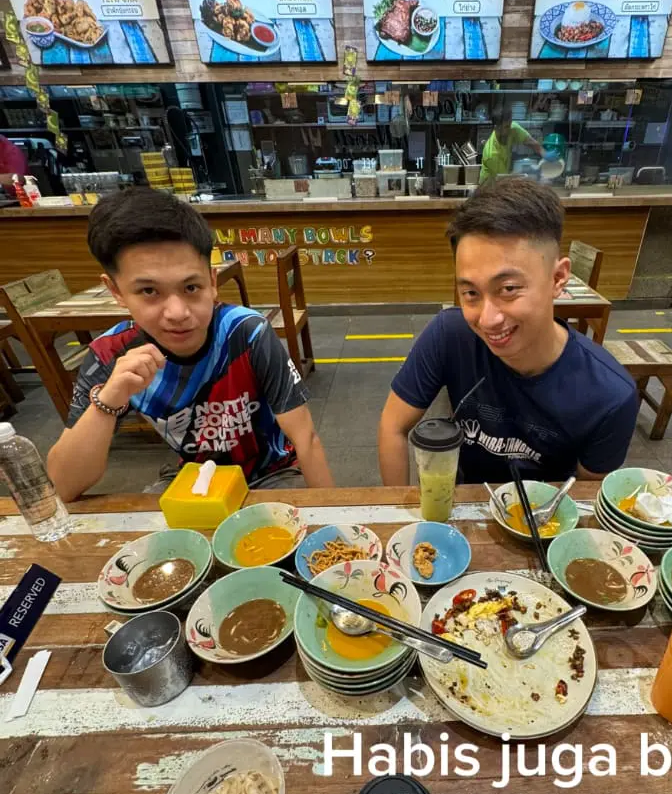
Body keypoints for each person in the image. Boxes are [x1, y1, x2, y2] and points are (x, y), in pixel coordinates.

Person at [47, 187, 334, 501]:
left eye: (191, 287)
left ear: (212, 283)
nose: (178, 313)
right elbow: (64, 487)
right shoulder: (109, 354)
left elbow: (305, 438)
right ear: (115, 291)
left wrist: (332, 514)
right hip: (193, 476)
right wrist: (109, 400)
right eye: (148, 291)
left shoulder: (247, 333)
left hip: (271, 474)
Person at [377, 177, 638, 486]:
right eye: (471, 293)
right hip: (464, 500)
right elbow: (392, 427)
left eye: (509, 289)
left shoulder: (609, 396)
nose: (487, 320)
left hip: (544, 517)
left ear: (558, 278)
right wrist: (402, 519)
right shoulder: (450, 334)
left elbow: (587, 497)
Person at [479, 106, 546, 183]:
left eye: (510, 122)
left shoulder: (511, 128)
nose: (510, 128)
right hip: (490, 187)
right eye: (506, 126)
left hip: (503, 179)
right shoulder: (491, 154)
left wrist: (545, 154)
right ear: (497, 128)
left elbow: (531, 143)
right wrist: (525, 171)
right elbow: (505, 179)